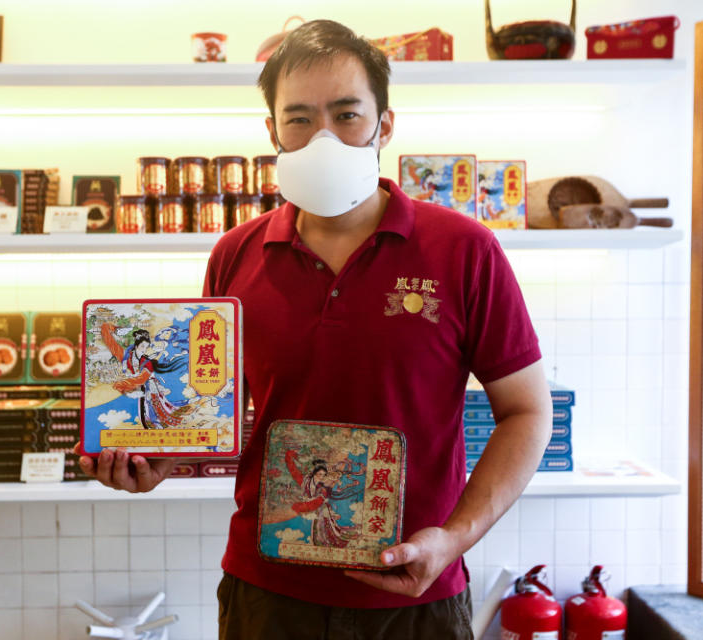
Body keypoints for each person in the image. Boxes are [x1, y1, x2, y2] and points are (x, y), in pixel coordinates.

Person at [77, 19, 552, 639]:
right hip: (268, 591)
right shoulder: (235, 254)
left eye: (347, 115)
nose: (321, 135)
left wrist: (453, 539)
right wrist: (156, 457)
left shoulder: (464, 250)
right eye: (299, 118)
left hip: (417, 592)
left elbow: (526, 412)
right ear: (272, 131)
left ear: (384, 124)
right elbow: (209, 409)